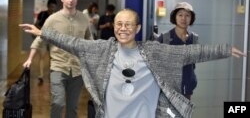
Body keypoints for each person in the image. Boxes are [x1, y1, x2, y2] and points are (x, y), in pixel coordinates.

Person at [20, 9, 245, 118]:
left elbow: (191, 53)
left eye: (128, 24)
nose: (123, 28)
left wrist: (224, 50)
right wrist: (43, 33)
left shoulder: (154, 52)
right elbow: (73, 43)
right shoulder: (103, 49)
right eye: (119, 24)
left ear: (137, 29)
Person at [22, 0, 93, 118]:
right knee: (58, 102)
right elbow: (40, 39)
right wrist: (30, 59)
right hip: (58, 66)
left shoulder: (84, 19)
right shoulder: (52, 19)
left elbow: (89, 38)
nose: (70, 0)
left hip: (78, 69)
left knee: (72, 107)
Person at [157, 2, 198, 100]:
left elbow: (193, 65)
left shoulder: (194, 38)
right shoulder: (165, 38)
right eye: (180, 15)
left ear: (191, 18)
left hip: (187, 91)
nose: (183, 18)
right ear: (174, 17)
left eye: (187, 15)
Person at [33, 0, 57, 84]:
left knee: (53, 58)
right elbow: (36, 25)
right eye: (51, 7)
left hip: (52, 39)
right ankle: (41, 75)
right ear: (48, 6)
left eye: (54, 7)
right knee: (42, 57)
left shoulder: (56, 16)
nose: (52, 9)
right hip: (43, 38)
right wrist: (43, 31)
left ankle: (52, 74)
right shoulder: (42, 14)